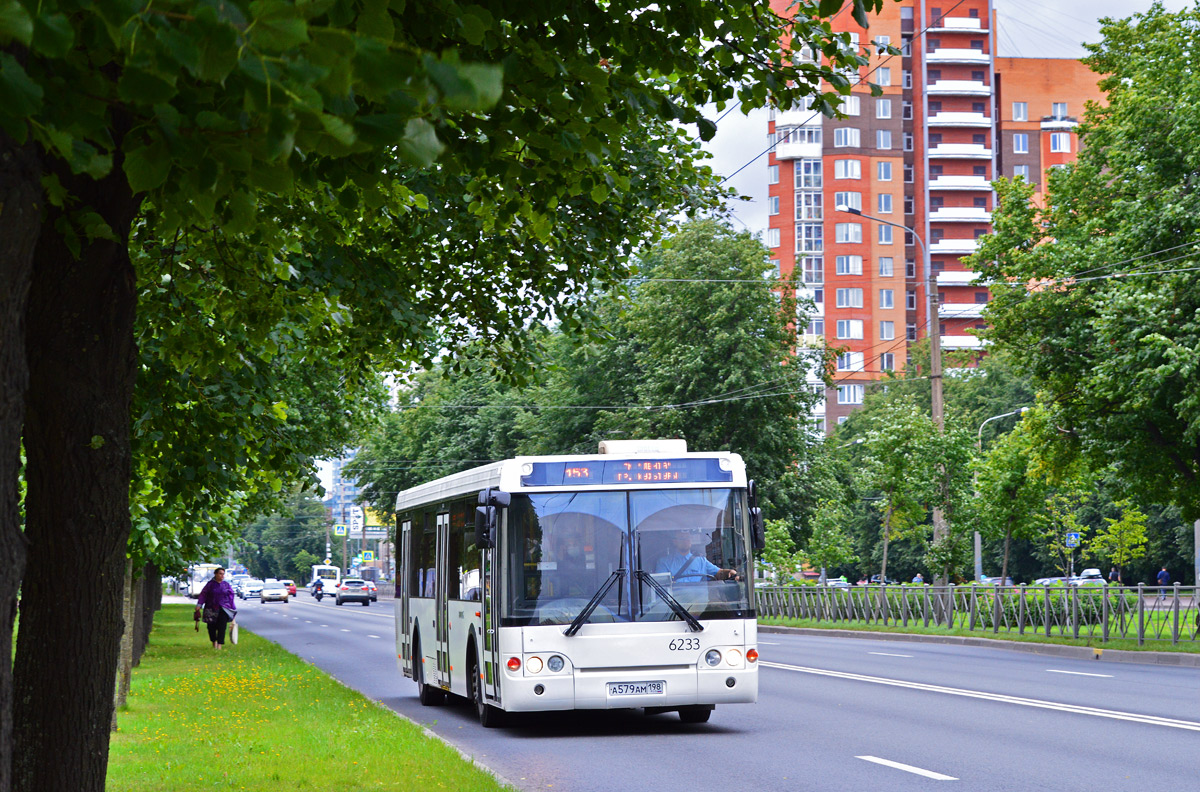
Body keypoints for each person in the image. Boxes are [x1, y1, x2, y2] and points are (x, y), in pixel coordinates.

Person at [655, 529, 739, 582]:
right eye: (682, 538)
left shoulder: (701, 561)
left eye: (688, 538)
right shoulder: (664, 562)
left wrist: (729, 572)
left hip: (699, 604)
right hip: (675, 605)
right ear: (674, 541)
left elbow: (719, 573)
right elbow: (661, 587)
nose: (686, 541)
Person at [195, 567, 236, 649]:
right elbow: (203, 595)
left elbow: (231, 596)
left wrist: (232, 608)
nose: (222, 576)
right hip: (211, 608)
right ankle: (214, 642)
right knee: (211, 627)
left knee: (222, 627)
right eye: (220, 573)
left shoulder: (226, 585)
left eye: (223, 574)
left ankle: (219, 645)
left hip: (223, 608)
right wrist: (199, 605)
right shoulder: (210, 585)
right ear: (216, 574)